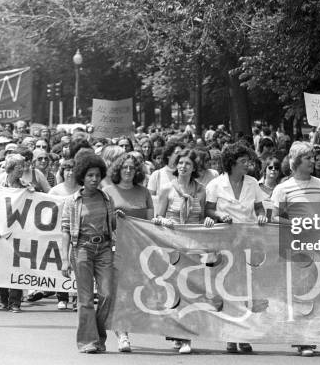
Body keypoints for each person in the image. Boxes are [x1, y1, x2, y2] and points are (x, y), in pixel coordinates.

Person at [204, 143, 268, 354]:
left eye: (248, 161)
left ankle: (244, 335)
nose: (247, 165)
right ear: (231, 164)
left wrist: (261, 214)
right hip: (224, 243)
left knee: (246, 288)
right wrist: (220, 217)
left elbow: (259, 206)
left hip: (247, 241)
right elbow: (209, 210)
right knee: (227, 288)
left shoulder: (252, 183)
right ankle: (230, 336)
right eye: (243, 162)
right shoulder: (215, 184)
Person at [152, 149, 215, 354]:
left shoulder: (202, 189)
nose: (183, 166)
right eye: (180, 163)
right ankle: (176, 333)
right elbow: (156, 217)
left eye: (188, 163)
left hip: (193, 247)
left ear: (194, 167)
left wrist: (208, 220)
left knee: (190, 291)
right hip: (172, 246)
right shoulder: (166, 189)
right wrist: (164, 221)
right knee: (174, 292)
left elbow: (204, 215)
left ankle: (186, 337)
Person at [271, 141, 320, 357]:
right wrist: (295, 224)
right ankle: (301, 339)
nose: (313, 161)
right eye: (308, 158)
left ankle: (309, 336)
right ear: (296, 162)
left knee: (315, 291)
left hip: (318, 246)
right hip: (294, 246)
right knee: (298, 291)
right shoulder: (283, 188)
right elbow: (274, 217)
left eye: (313, 157)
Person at [61, 154, 117, 353]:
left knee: (107, 295)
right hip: (82, 249)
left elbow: (114, 226)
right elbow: (65, 230)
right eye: (90, 175)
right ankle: (88, 342)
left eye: (97, 175)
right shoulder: (72, 201)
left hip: (104, 249)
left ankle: (99, 337)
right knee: (85, 299)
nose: (94, 179)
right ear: (82, 177)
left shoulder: (106, 198)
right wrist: (64, 260)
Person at [103, 153, 154, 353]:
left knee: (138, 294)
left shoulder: (144, 193)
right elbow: (101, 221)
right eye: (124, 167)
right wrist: (114, 219)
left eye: (132, 168)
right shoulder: (108, 191)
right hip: (116, 249)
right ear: (117, 170)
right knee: (119, 294)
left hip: (140, 251)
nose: (128, 171)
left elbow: (151, 223)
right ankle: (122, 334)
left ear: (137, 171)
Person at [0, 154, 34, 313]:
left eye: (23, 166)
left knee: (17, 265)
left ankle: (15, 302)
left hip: (18, 231)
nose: (22, 170)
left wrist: (32, 192)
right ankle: (4, 299)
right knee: (2, 266)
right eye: (19, 167)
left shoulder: (25, 186)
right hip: (0, 229)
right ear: (10, 168)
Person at [48, 159, 80, 311]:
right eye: (67, 169)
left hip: (79, 232)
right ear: (62, 172)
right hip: (58, 232)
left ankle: (75, 297)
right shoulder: (55, 190)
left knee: (77, 264)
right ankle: (62, 297)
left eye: (73, 169)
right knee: (61, 263)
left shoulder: (82, 190)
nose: (70, 172)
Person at [258, 156, 282, 221]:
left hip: (274, 226)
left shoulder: (281, 190)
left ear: (279, 172)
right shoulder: (256, 186)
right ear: (265, 170)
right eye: (270, 167)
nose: (273, 169)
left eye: (276, 168)